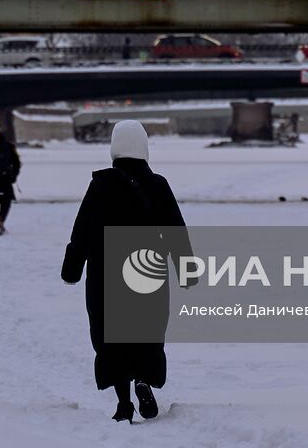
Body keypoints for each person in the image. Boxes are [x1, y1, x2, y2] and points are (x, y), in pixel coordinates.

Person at [61, 120, 191, 423]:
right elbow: (175, 230)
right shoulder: (158, 185)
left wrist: (72, 268)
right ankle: (143, 381)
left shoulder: (100, 186)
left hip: (106, 272)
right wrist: (186, 269)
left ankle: (123, 402)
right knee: (147, 330)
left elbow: (81, 231)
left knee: (111, 337)